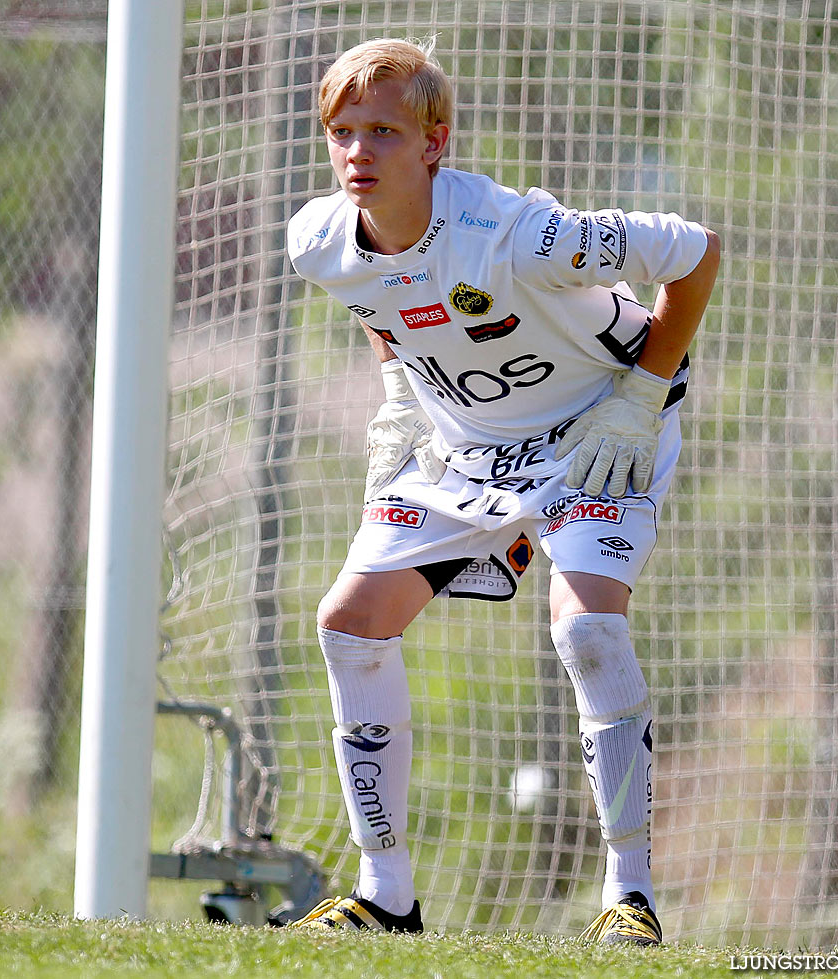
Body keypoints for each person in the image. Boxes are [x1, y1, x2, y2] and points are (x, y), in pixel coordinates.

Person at [283, 37, 721, 944]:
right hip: (469, 453)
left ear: (435, 142)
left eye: (386, 132)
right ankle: (385, 895)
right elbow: (386, 305)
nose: (359, 151)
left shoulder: (521, 232)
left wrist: (641, 397)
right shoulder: (318, 241)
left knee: (588, 628)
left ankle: (626, 899)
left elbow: (697, 254)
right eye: (343, 132)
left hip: (596, 434)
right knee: (348, 623)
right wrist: (403, 393)